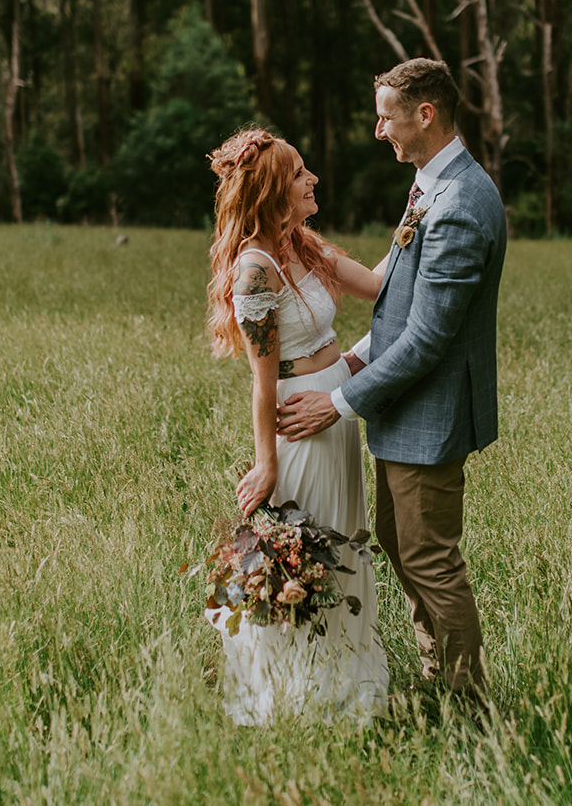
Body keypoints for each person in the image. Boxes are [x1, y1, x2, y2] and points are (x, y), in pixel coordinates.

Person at [278, 58, 506, 700]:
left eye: (386, 117)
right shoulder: (429, 186)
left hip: (429, 414)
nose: (379, 131)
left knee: (430, 560)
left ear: (424, 114)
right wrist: (350, 361)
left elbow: (430, 336)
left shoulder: (459, 202)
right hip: (404, 409)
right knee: (400, 546)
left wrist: (338, 404)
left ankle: (467, 701)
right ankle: (439, 674)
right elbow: (398, 304)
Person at [204, 128, 389, 725]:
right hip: (298, 422)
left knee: (346, 542)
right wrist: (267, 463)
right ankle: (298, 694)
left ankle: (346, 682)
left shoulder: (302, 246)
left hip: (336, 412)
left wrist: (415, 223)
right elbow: (263, 382)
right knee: (312, 552)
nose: (312, 180)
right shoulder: (255, 271)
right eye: (299, 174)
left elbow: (381, 284)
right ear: (272, 191)